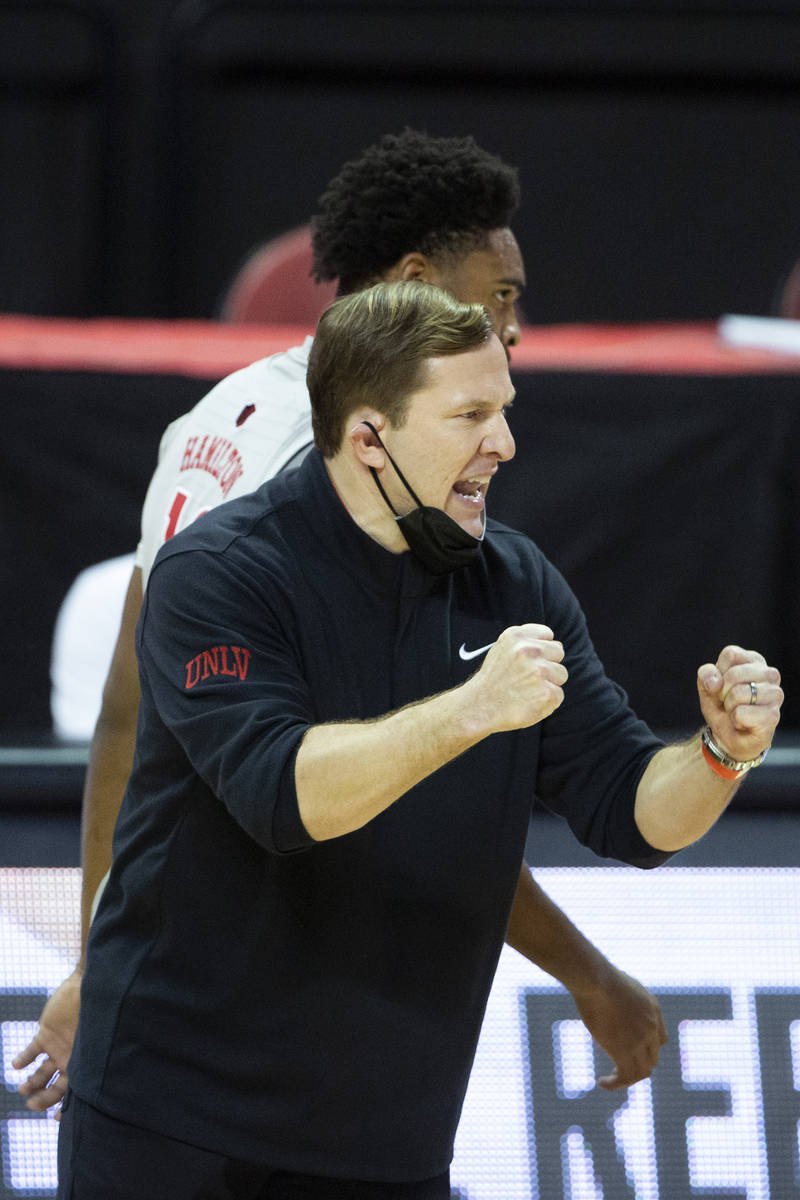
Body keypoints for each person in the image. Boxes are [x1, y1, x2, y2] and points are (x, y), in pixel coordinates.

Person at [55, 281, 782, 1197]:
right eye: (471, 413)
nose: (505, 443)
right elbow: (284, 798)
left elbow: (630, 816)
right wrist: (472, 707)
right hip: (177, 1119)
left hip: (389, 1132)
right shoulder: (221, 573)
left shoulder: (517, 581)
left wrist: (720, 754)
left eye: (506, 409)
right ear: (369, 439)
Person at [17, 130, 664, 1116]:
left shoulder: (218, 416)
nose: (515, 326)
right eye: (496, 296)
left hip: (188, 969)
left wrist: (103, 942)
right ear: (416, 279)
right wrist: (586, 972)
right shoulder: (341, 479)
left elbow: (127, 711)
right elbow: (401, 804)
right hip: (278, 982)